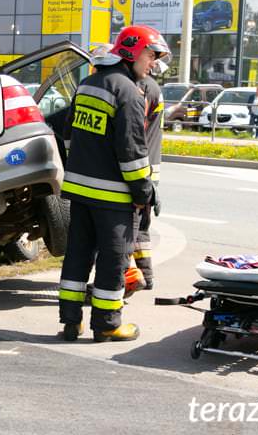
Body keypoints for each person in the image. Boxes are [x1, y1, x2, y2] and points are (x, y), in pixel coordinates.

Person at [57, 25, 168, 343]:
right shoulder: (130, 93)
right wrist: (143, 192)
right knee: (113, 260)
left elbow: (69, 135)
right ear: (132, 52)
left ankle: (70, 322)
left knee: (77, 255)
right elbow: (132, 151)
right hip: (113, 197)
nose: (152, 64)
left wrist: (82, 166)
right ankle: (106, 324)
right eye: (150, 55)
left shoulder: (88, 85)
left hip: (80, 192)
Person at [131, 54, 171, 290]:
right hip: (151, 167)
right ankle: (147, 276)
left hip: (140, 168)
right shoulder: (155, 87)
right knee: (142, 226)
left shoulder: (144, 88)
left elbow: (135, 128)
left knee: (132, 227)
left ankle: (133, 278)